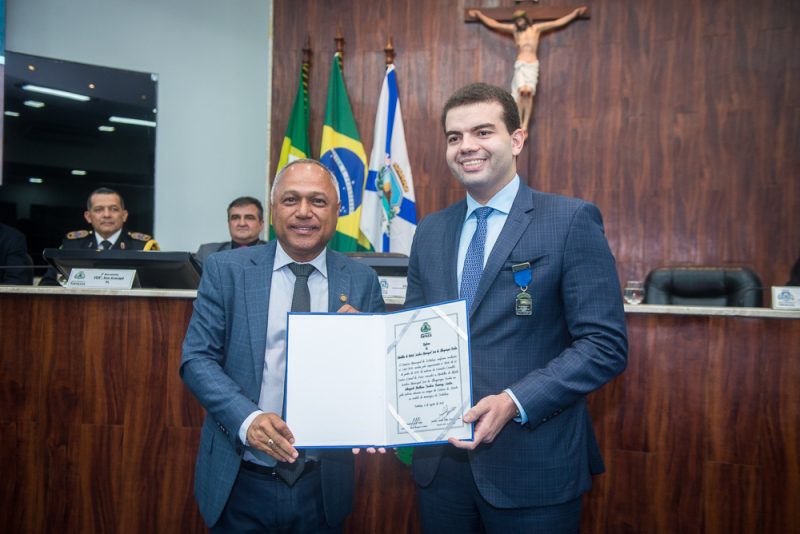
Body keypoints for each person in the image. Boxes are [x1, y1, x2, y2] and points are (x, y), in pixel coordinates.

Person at [405, 83, 627, 532]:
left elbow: (604, 345)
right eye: (454, 137)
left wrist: (513, 400)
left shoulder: (569, 220)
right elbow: (414, 330)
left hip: (534, 466)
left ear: (517, 140)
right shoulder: (429, 230)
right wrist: (364, 341)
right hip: (441, 469)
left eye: (483, 132)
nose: (466, 146)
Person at [180, 159, 386, 533]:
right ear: (274, 208)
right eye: (291, 200)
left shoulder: (362, 281)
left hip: (322, 484)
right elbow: (197, 359)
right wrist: (248, 419)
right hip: (240, 476)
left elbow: (377, 377)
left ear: (337, 211)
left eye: (318, 201)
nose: (304, 212)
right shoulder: (226, 270)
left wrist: (366, 345)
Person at [469, 7, 588, 132]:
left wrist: (574, 14)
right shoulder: (515, 31)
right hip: (521, 64)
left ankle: (525, 125)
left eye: (521, 20)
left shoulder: (535, 29)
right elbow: (495, 24)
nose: (519, 23)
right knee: (521, 92)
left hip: (531, 65)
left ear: (525, 19)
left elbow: (556, 23)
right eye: (517, 21)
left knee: (528, 94)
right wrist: (479, 15)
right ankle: (519, 123)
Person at [38, 187, 158, 286]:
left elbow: (156, 286)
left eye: (114, 209)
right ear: (88, 216)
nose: (107, 215)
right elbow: (48, 283)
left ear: (124, 215)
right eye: (99, 209)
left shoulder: (143, 246)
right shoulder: (72, 245)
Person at [194, 196, 267, 267]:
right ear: (229, 224)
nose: (242, 224)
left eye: (249, 218)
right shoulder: (207, 252)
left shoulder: (271, 253)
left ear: (261, 224)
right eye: (235, 218)